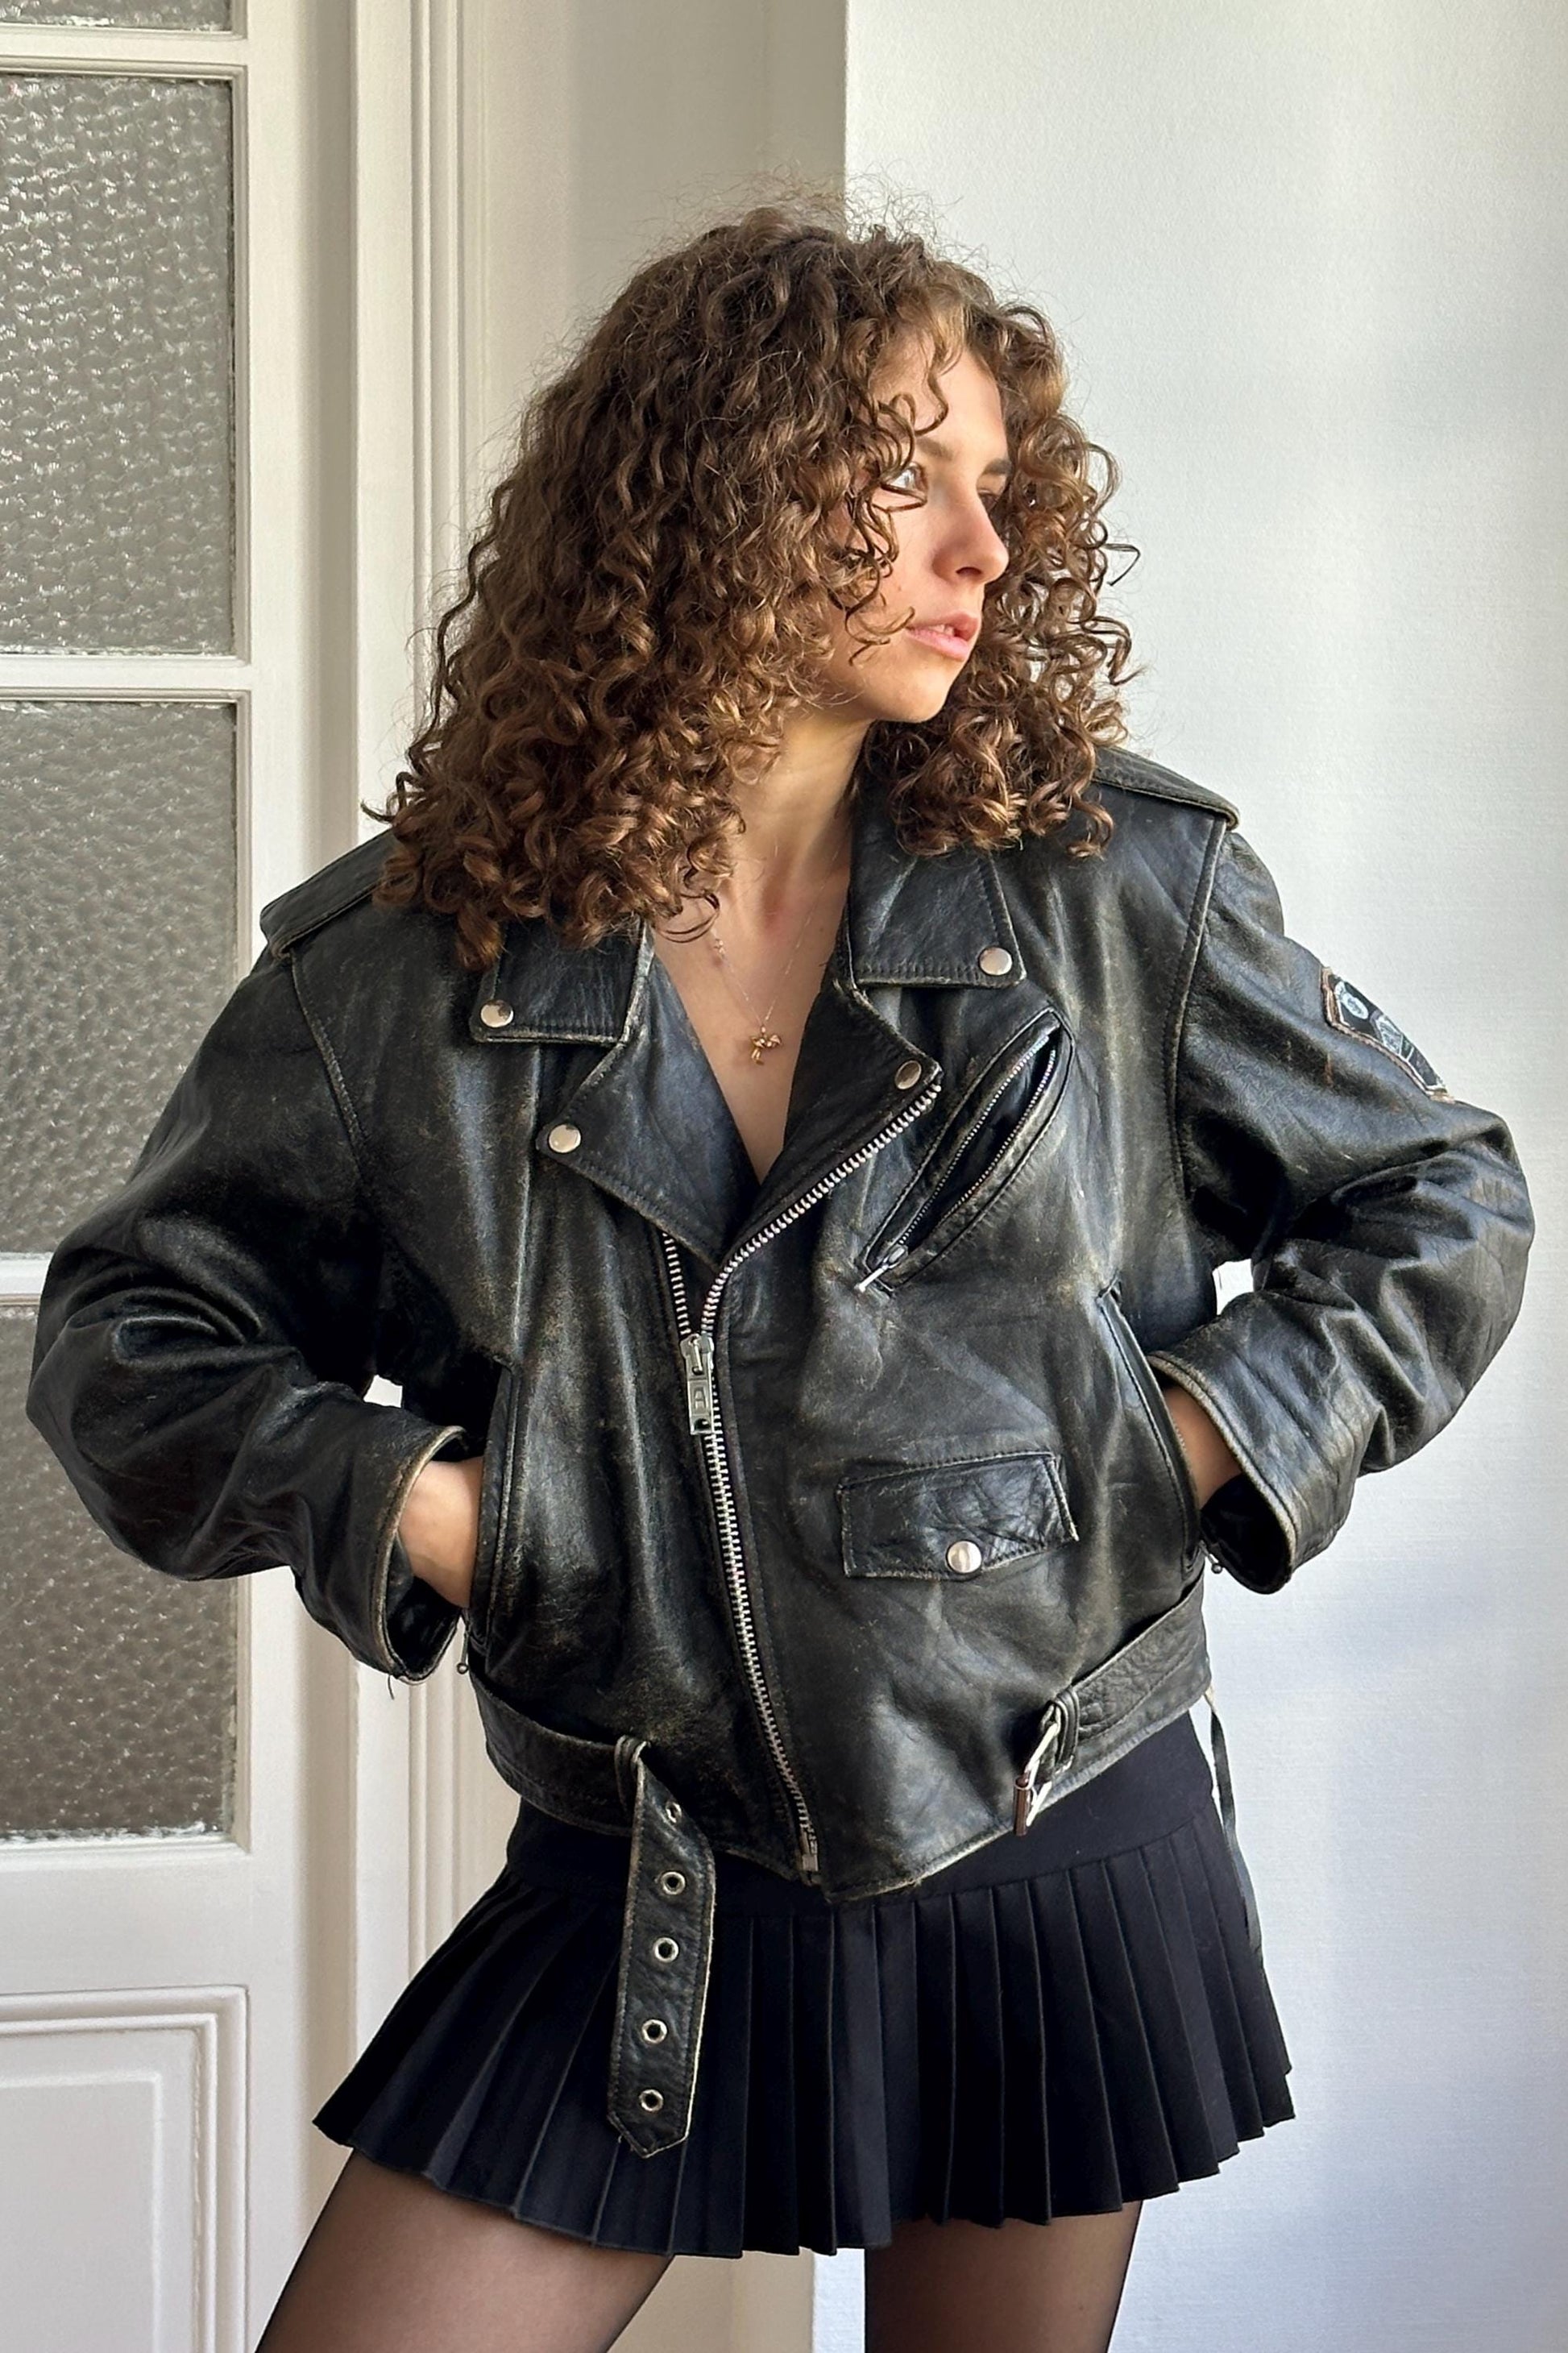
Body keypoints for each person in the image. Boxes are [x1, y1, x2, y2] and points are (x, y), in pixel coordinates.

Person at [27, 197, 1532, 2353]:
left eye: (996, 492)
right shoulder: (394, 979)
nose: (981, 554)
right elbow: (127, 1342)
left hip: (1052, 1830)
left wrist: (1184, 1435)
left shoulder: (1119, 893)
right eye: (904, 474)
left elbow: (1439, 1202)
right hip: (644, 1870)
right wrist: (415, 1504)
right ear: (716, 483)